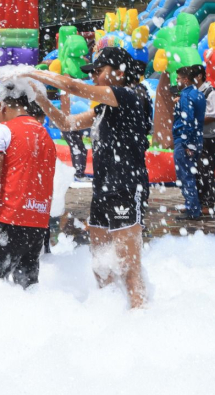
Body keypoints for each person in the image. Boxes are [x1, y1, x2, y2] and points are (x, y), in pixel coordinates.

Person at [23, 46, 150, 309]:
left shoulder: (130, 96)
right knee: (101, 263)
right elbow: (66, 123)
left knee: (128, 266)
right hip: (103, 191)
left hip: (126, 188)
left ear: (118, 72)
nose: (93, 77)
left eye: (98, 71)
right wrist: (41, 98)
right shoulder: (104, 109)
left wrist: (31, 72)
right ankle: (110, 313)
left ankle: (141, 320)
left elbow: (73, 87)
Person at [0, 82, 57, 288]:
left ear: (3, 106)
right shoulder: (45, 135)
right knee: (28, 288)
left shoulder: (3, 130)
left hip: (9, 219)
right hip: (38, 222)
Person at [172, 65, 206, 221]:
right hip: (198, 139)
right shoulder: (199, 94)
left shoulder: (186, 96)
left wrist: (185, 143)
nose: (176, 81)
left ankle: (192, 210)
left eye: (178, 78)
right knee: (190, 174)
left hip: (185, 140)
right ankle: (193, 207)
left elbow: (188, 119)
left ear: (185, 80)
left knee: (185, 176)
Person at [192, 65, 215, 216]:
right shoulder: (195, 92)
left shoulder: (211, 92)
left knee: (206, 172)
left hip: (207, 138)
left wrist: (194, 120)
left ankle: (208, 203)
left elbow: (214, 115)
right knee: (195, 171)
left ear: (199, 76)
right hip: (196, 138)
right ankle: (197, 201)